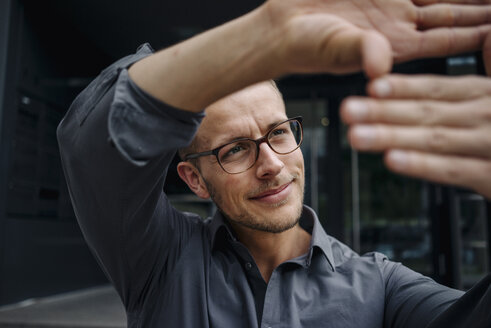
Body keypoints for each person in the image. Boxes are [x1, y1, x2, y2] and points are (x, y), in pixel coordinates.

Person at [57, 0, 491, 327]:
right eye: (235, 149)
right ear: (195, 180)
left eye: (278, 132)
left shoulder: (380, 283)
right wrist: (265, 33)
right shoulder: (161, 259)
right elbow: (91, 144)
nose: (270, 164)